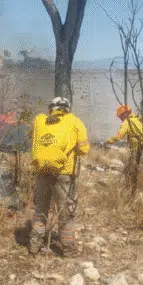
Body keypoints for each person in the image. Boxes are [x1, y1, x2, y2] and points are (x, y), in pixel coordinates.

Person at [29, 97, 90, 256]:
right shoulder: (75, 121)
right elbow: (84, 150)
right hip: (63, 174)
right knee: (65, 213)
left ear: (51, 108)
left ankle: (34, 246)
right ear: (67, 108)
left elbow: (34, 141)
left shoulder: (40, 121)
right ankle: (68, 250)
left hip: (42, 172)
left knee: (40, 210)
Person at [106, 104, 143, 175]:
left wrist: (108, 141)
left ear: (125, 114)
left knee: (142, 164)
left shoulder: (127, 122)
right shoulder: (139, 118)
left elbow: (119, 136)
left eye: (120, 116)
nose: (120, 118)